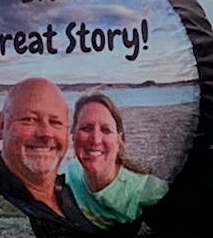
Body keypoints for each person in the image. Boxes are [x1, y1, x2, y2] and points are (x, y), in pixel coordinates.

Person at [62, 93, 167, 228]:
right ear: (73, 135)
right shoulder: (68, 174)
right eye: (86, 128)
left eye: (106, 130)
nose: (95, 139)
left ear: (119, 139)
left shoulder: (143, 190)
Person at [0, 75, 78, 227]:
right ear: (1, 125)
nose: (46, 133)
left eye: (55, 122)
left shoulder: (78, 196)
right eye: (29, 119)